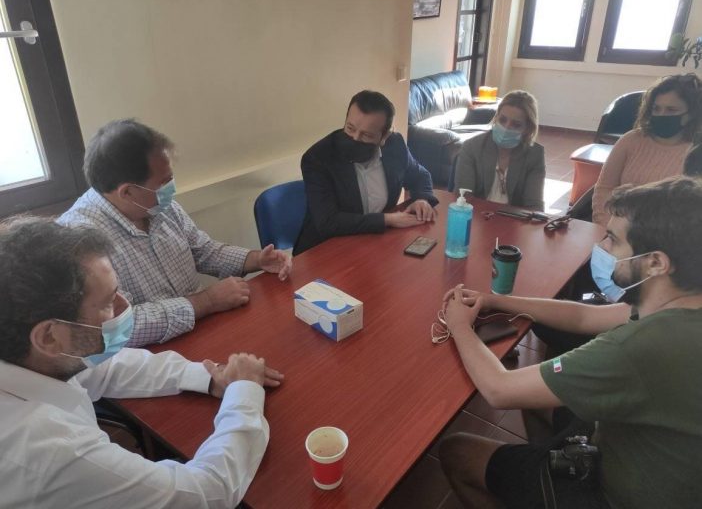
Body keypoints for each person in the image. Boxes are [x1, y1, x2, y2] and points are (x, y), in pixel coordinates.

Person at [438, 177, 702, 509]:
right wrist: (496, 300)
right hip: (642, 453)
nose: (603, 248)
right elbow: (584, 317)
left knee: (458, 451)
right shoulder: (678, 303)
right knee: (538, 395)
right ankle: (539, 479)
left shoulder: (638, 348)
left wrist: (459, 325)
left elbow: (498, 389)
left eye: (613, 239)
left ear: (656, 263)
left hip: (618, 493)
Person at [0, 218, 284, 508]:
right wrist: (245, 391)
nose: (125, 307)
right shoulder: (48, 448)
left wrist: (209, 377)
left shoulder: (33, 356)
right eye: (108, 302)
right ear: (48, 336)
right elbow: (206, 493)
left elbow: (107, 368)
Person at [59, 119, 292, 347]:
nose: (171, 188)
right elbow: (118, 328)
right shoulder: (79, 240)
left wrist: (256, 259)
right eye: (164, 182)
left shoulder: (156, 205)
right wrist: (206, 301)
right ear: (128, 192)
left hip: (203, 330)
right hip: (152, 355)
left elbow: (202, 250)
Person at [293, 90, 439, 255]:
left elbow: (420, 176)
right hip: (325, 249)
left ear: (384, 137)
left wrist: (422, 199)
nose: (355, 138)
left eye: (366, 135)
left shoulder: (394, 145)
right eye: (350, 128)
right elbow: (328, 222)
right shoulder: (318, 157)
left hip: (373, 243)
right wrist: (387, 220)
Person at [592, 73, 702, 225]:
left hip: (667, 233)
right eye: (656, 109)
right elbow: (604, 188)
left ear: (692, 114)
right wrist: (607, 226)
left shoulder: (696, 153)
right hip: (615, 227)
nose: (662, 115)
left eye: (671, 110)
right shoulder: (631, 140)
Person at [453, 90, 545, 210]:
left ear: (527, 129)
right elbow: (463, 196)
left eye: (516, 125)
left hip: (514, 219)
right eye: (502, 120)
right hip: (477, 215)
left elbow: (534, 206)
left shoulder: (535, 154)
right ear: (496, 118)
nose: (506, 128)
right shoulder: (472, 147)